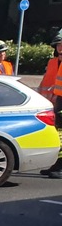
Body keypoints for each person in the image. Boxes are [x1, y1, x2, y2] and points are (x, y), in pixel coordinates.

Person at [40, 31, 62, 178]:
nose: (60, 47)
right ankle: (57, 164)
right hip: (55, 103)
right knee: (57, 135)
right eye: (59, 44)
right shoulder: (53, 62)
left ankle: (60, 167)